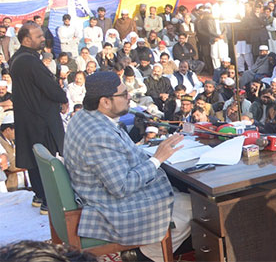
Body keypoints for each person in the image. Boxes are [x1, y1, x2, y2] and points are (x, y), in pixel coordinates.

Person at [62, 72, 192, 261]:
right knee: (192, 206)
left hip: (96, 194)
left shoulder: (84, 116)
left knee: (182, 192)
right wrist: (157, 159)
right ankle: (145, 255)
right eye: (123, 95)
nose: (129, 97)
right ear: (105, 102)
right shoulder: (99, 135)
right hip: (112, 209)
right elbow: (121, 187)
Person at [10, 21, 68, 213]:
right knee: (46, 160)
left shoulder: (18, 58)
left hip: (28, 118)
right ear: (26, 39)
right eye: (38, 36)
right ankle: (48, 201)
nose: (43, 39)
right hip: (41, 119)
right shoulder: (30, 61)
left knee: (34, 158)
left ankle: (39, 195)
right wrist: (62, 97)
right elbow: (50, 87)